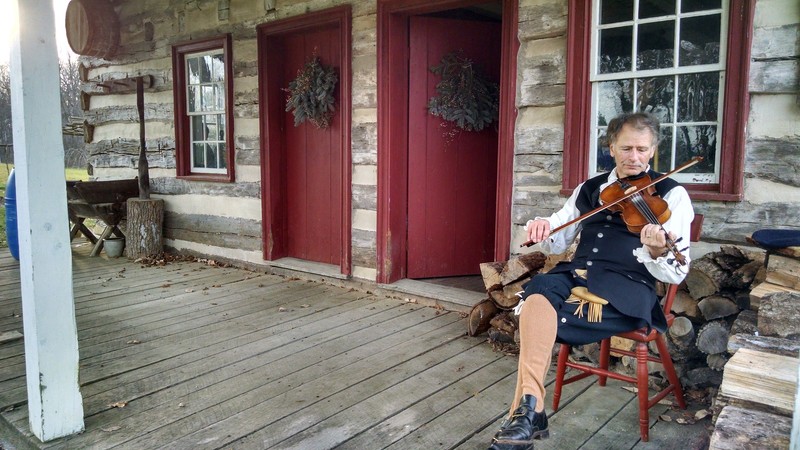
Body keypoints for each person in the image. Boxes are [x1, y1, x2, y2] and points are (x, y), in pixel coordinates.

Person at [488, 112, 694, 450]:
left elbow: (675, 271)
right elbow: (558, 231)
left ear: (653, 150)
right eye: (626, 148)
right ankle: (530, 411)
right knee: (538, 293)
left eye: (643, 150)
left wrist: (656, 252)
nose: (634, 157)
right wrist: (542, 225)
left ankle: (527, 415)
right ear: (611, 147)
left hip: (628, 289)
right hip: (575, 274)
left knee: (543, 317)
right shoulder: (592, 188)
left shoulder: (671, 194)